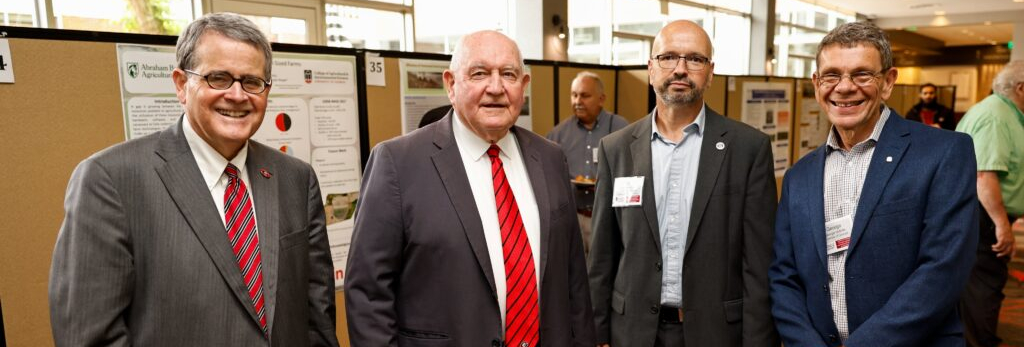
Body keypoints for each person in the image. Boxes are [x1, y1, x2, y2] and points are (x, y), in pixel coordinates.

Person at [48, 13, 339, 346]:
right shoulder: (111, 181)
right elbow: (90, 336)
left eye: (251, 81)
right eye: (218, 78)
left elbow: (317, 318)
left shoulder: (296, 178)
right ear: (181, 84)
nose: (237, 95)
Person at [344, 30, 594, 347]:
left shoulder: (550, 158)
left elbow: (574, 277)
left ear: (524, 86)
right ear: (451, 84)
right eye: (479, 73)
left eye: (508, 74)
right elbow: (368, 294)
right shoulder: (397, 163)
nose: (496, 88)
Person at [770, 21, 978, 346]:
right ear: (816, 83)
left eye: (862, 75)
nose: (844, 87)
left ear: (888, 82)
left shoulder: (944, 153)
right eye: (831, 75)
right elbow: (784, 277)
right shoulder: (799, 176)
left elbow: (943, 269)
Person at [588, 20, 779, 347]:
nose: (680, 68)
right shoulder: (615, 149)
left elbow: (759, 268)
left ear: (710, 72)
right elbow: (602, 257)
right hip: (631, 333)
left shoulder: (748, 149)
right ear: (650, 68)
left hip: (716, 334)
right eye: (668, 57)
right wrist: (598, 334)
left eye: (695, 59)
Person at [956, 60, 1024, 347]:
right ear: (1021, 88)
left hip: (985, 214)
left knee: (981, 284)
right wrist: (1001, 225)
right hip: (983, 215)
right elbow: (984, 176)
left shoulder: (1004, 113)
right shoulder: (996, 116)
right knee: (983, 284)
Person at [546, 71, 628, 258]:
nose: (577, 101)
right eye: (574, 95)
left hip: (608, 218)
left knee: (604, 269)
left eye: (584, 95)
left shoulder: (621, 129)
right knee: (576, 270)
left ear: (601, 99)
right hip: (572, 218)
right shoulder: (558, 134)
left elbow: (634, 172)